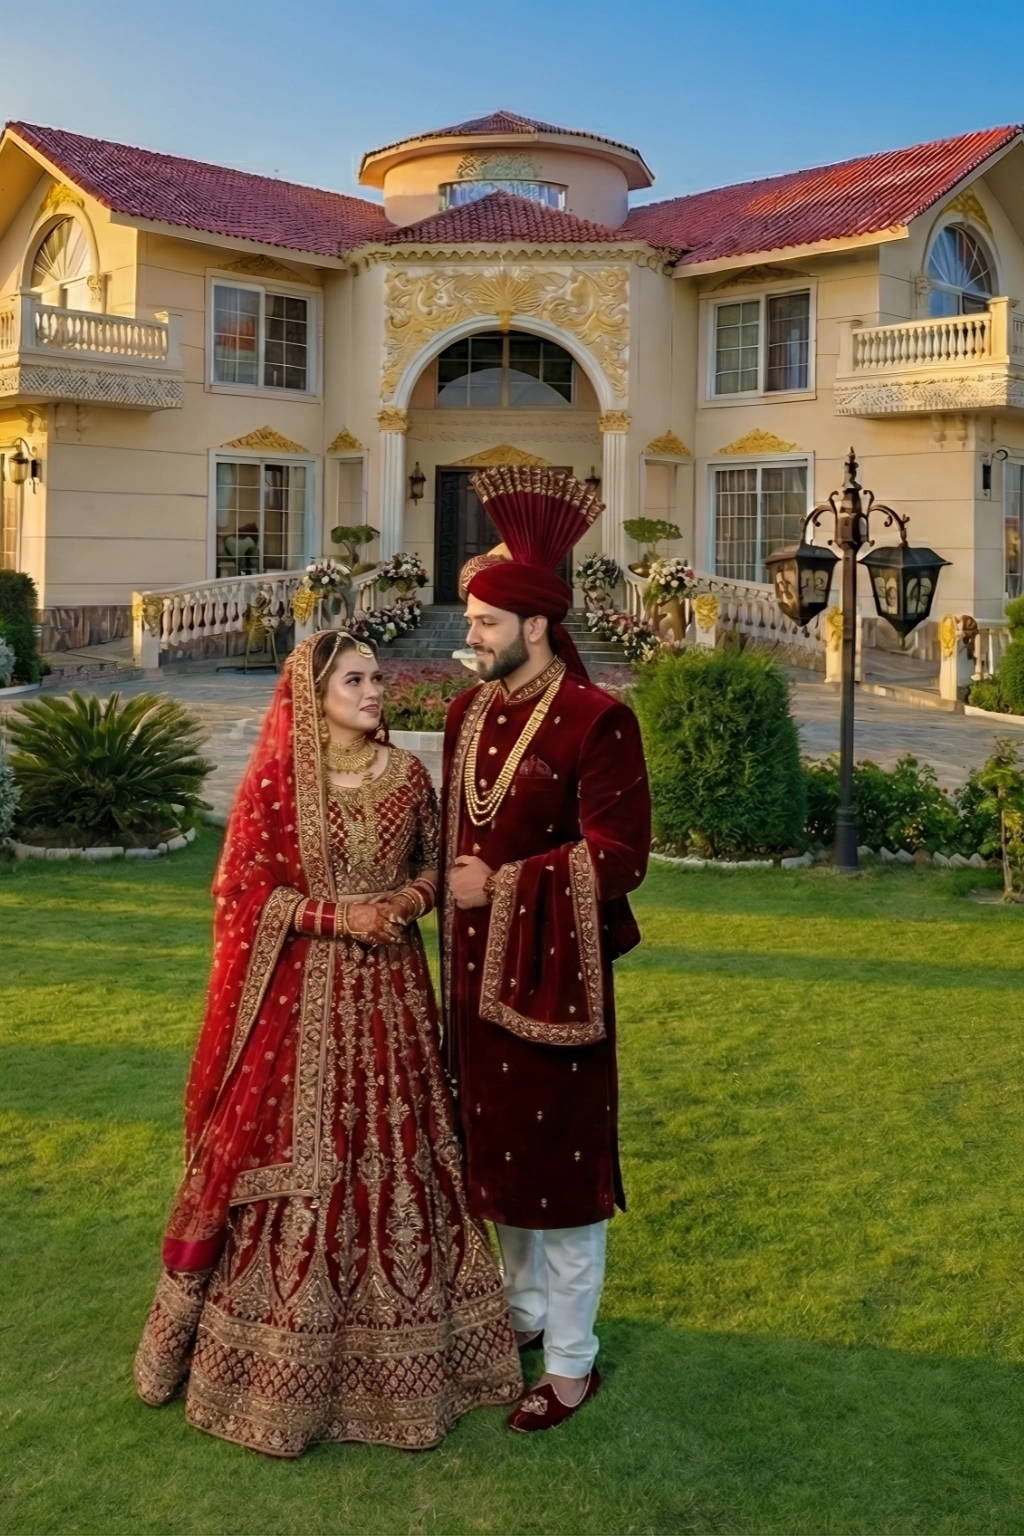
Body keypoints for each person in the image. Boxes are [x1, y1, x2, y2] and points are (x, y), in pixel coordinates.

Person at [135, 630, 521, 1456]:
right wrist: (337, 916)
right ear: (315, 697)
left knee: (406, 1152)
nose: (374, 691)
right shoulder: (278, 781)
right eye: (355, 680)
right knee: (283, 1156)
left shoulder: (410, 777)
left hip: (394, 1000)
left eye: (377, 678)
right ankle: (271, 1366)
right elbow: (241, 890)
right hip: (299, 1006)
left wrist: (409, 904)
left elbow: (432, 866)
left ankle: (423, 1363)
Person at [440, 467, 651, 1433]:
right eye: (470, 620)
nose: (471, 636)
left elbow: (620, 857)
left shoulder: (598, 721)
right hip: (467, 983)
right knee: (497, 1158)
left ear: (534, 626)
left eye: (486, 623)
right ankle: (522, 1316)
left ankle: (570, 1363)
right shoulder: (465, 716)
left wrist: (509, 885)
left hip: (555, 981)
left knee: (559, 1173)